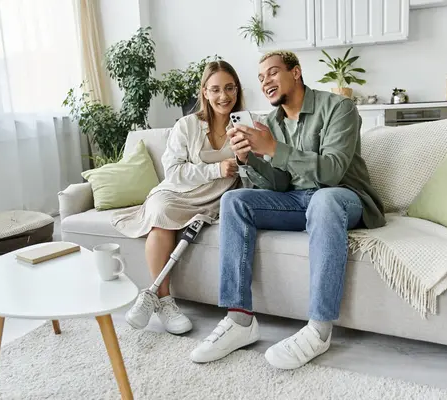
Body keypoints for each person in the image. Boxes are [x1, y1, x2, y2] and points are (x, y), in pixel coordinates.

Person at [190, 51, 386, 369]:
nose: (266, 81)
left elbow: (334, 171)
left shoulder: (340, 107)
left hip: (344, 199)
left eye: (272, 73)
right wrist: (248, 159)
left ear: (296, 73)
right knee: (234, 201)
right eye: (260, 78)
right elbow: (279, 184)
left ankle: (319, 330)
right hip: (298, 200)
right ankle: (239, 321)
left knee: (324, 199)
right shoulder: (271, 124)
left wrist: (274, 149)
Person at [112, 60, 247, 335]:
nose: (224, 96)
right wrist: (216, 169)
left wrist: (246, 161)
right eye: (216, 89)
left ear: (238, 90)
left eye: (230, 88)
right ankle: (163, 300)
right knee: (161, 211)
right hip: (177, 193)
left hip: (216, 199)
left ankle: (157, 298)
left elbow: (256, 174)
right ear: (205, 92)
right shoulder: (187, 125)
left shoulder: (245, 125)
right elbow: (172, 172)